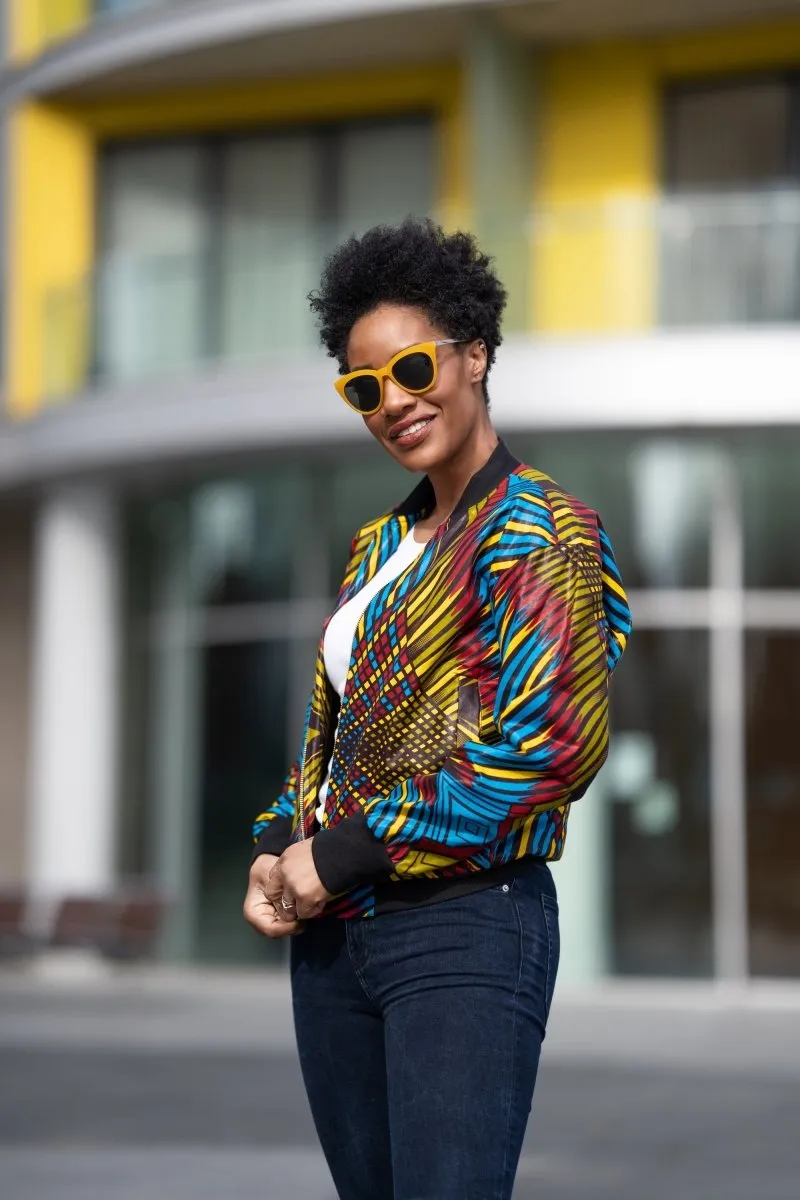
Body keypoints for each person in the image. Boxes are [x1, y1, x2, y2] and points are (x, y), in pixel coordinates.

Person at [243, 218, 631, 1200]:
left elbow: (553, 745)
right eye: (363, 386)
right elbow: (334, 733)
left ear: (474, 353)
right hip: (335, 944)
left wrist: (343, 853)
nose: (392, 402)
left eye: (412, 367)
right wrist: (281, 842)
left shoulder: (541, 529)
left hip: (462, 926)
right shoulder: (379, 545)